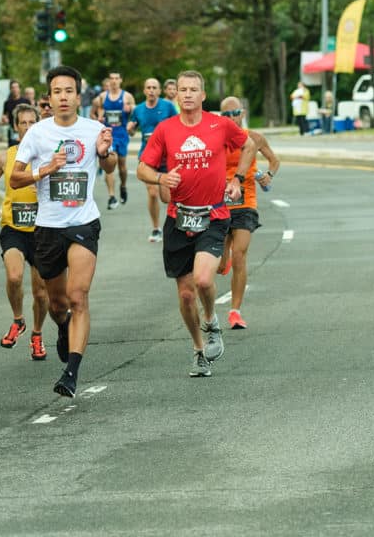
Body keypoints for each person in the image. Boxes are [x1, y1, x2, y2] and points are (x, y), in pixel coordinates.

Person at [136, 71, 256, 378]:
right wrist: (161, 177)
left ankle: (212, 321)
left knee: (203, 280)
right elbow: (142, 168)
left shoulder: (220, 125)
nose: (188, 94)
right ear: (177, 96)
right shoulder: (165, 130)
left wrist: (238, 179)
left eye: (194, 90)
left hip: (214, 215)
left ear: (203, 96)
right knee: (186, 294)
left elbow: (249, 146)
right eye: (183, 90)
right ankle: (198, 347)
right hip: (179, 217)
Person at [9, 65, 116, 398]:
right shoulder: (37, 134)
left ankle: (71, 371)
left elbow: (111, 164)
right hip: (48, 227)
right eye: (57, 91)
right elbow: (14, 179)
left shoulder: (94, 128)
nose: (64, 97)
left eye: (69, 91)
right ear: (49, 98)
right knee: (56, 304)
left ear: (78, 95)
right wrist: (46, 169)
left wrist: (105, 153)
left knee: (77, 296)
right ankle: (63, 328)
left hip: (83, 223)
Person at [0, 103, 49, 360]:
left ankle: (37, 334)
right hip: (13, 227)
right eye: (24, 123)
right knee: (14, 276)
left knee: (41, 291)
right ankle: (18, 320)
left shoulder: (46, 155)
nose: (28, 127)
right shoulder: (6, 156)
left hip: (42, 229)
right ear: (15, 126)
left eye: (33, 123)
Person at [217, 97, 280, 330]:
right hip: (220, 203)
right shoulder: (216, 139)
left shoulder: (254, 137)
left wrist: (268, 176)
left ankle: (235, 311)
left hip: (246, 201)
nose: (231, 118)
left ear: (242, 113)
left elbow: (274, 161)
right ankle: (223, 261)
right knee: (221, 263)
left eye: (234, 113)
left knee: (240, 255)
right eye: (226, 115)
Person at [127, 78, 177, 242]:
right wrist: (131, 129)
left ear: (159, 91)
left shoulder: (168, 107)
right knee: (153, 193)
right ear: (144, 90)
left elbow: (179, 125)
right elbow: (132, 132)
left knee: (167, 197)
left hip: (167, 157)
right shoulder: (138, 109)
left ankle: (175, 225)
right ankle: (156, 228)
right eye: (148, 87)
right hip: (147, 157)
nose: (151, 90)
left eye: (154, 87)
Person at [94, 72, 135, 209]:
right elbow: (93, 111)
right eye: (111, 78)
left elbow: (134, 117)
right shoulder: (102, 97)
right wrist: (98, 119)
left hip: (122, 134)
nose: (114, 81)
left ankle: (123, 186)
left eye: (117, 78)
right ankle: (111, 196)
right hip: (108, 135)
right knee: (110, 163)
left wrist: (129, 111)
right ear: (109, 81)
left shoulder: (127, 96)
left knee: (122, 166)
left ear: (121, 80)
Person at [1, 81, 30, 147]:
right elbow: (4, 116)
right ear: (10, 89)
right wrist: (4, 119)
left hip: (25, 130)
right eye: (13, 88)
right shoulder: (7, 103)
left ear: (19, 89)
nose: (15, 89)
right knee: (12, 151)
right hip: (12, 131)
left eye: (16, 87)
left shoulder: (26, 101)